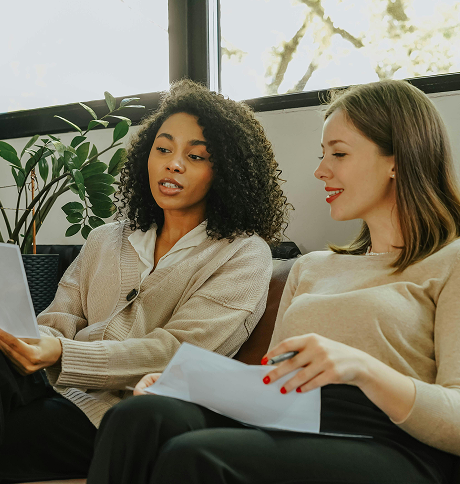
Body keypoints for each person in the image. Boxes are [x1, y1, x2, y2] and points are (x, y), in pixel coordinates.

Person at [88, 79, 460, 484]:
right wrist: (188, 381)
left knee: (195, 457)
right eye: (323, 154)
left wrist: (364, 369)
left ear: (398, 161)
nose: (321, 170)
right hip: (297, 423)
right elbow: (272, 386)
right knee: (140, 416)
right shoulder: (312, 267)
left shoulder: (450, 262)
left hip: (394, 444)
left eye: (339, 153)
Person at [0, 79, 289, 483]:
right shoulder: (106, 237)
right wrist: (27, 342)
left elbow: (176, 354)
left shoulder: (243, 254)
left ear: (226, 172)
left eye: (197, 156)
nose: (173, 164)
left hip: (113, 416)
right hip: (47, 386)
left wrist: (62, 355)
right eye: (163, 149)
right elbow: (61, 315)